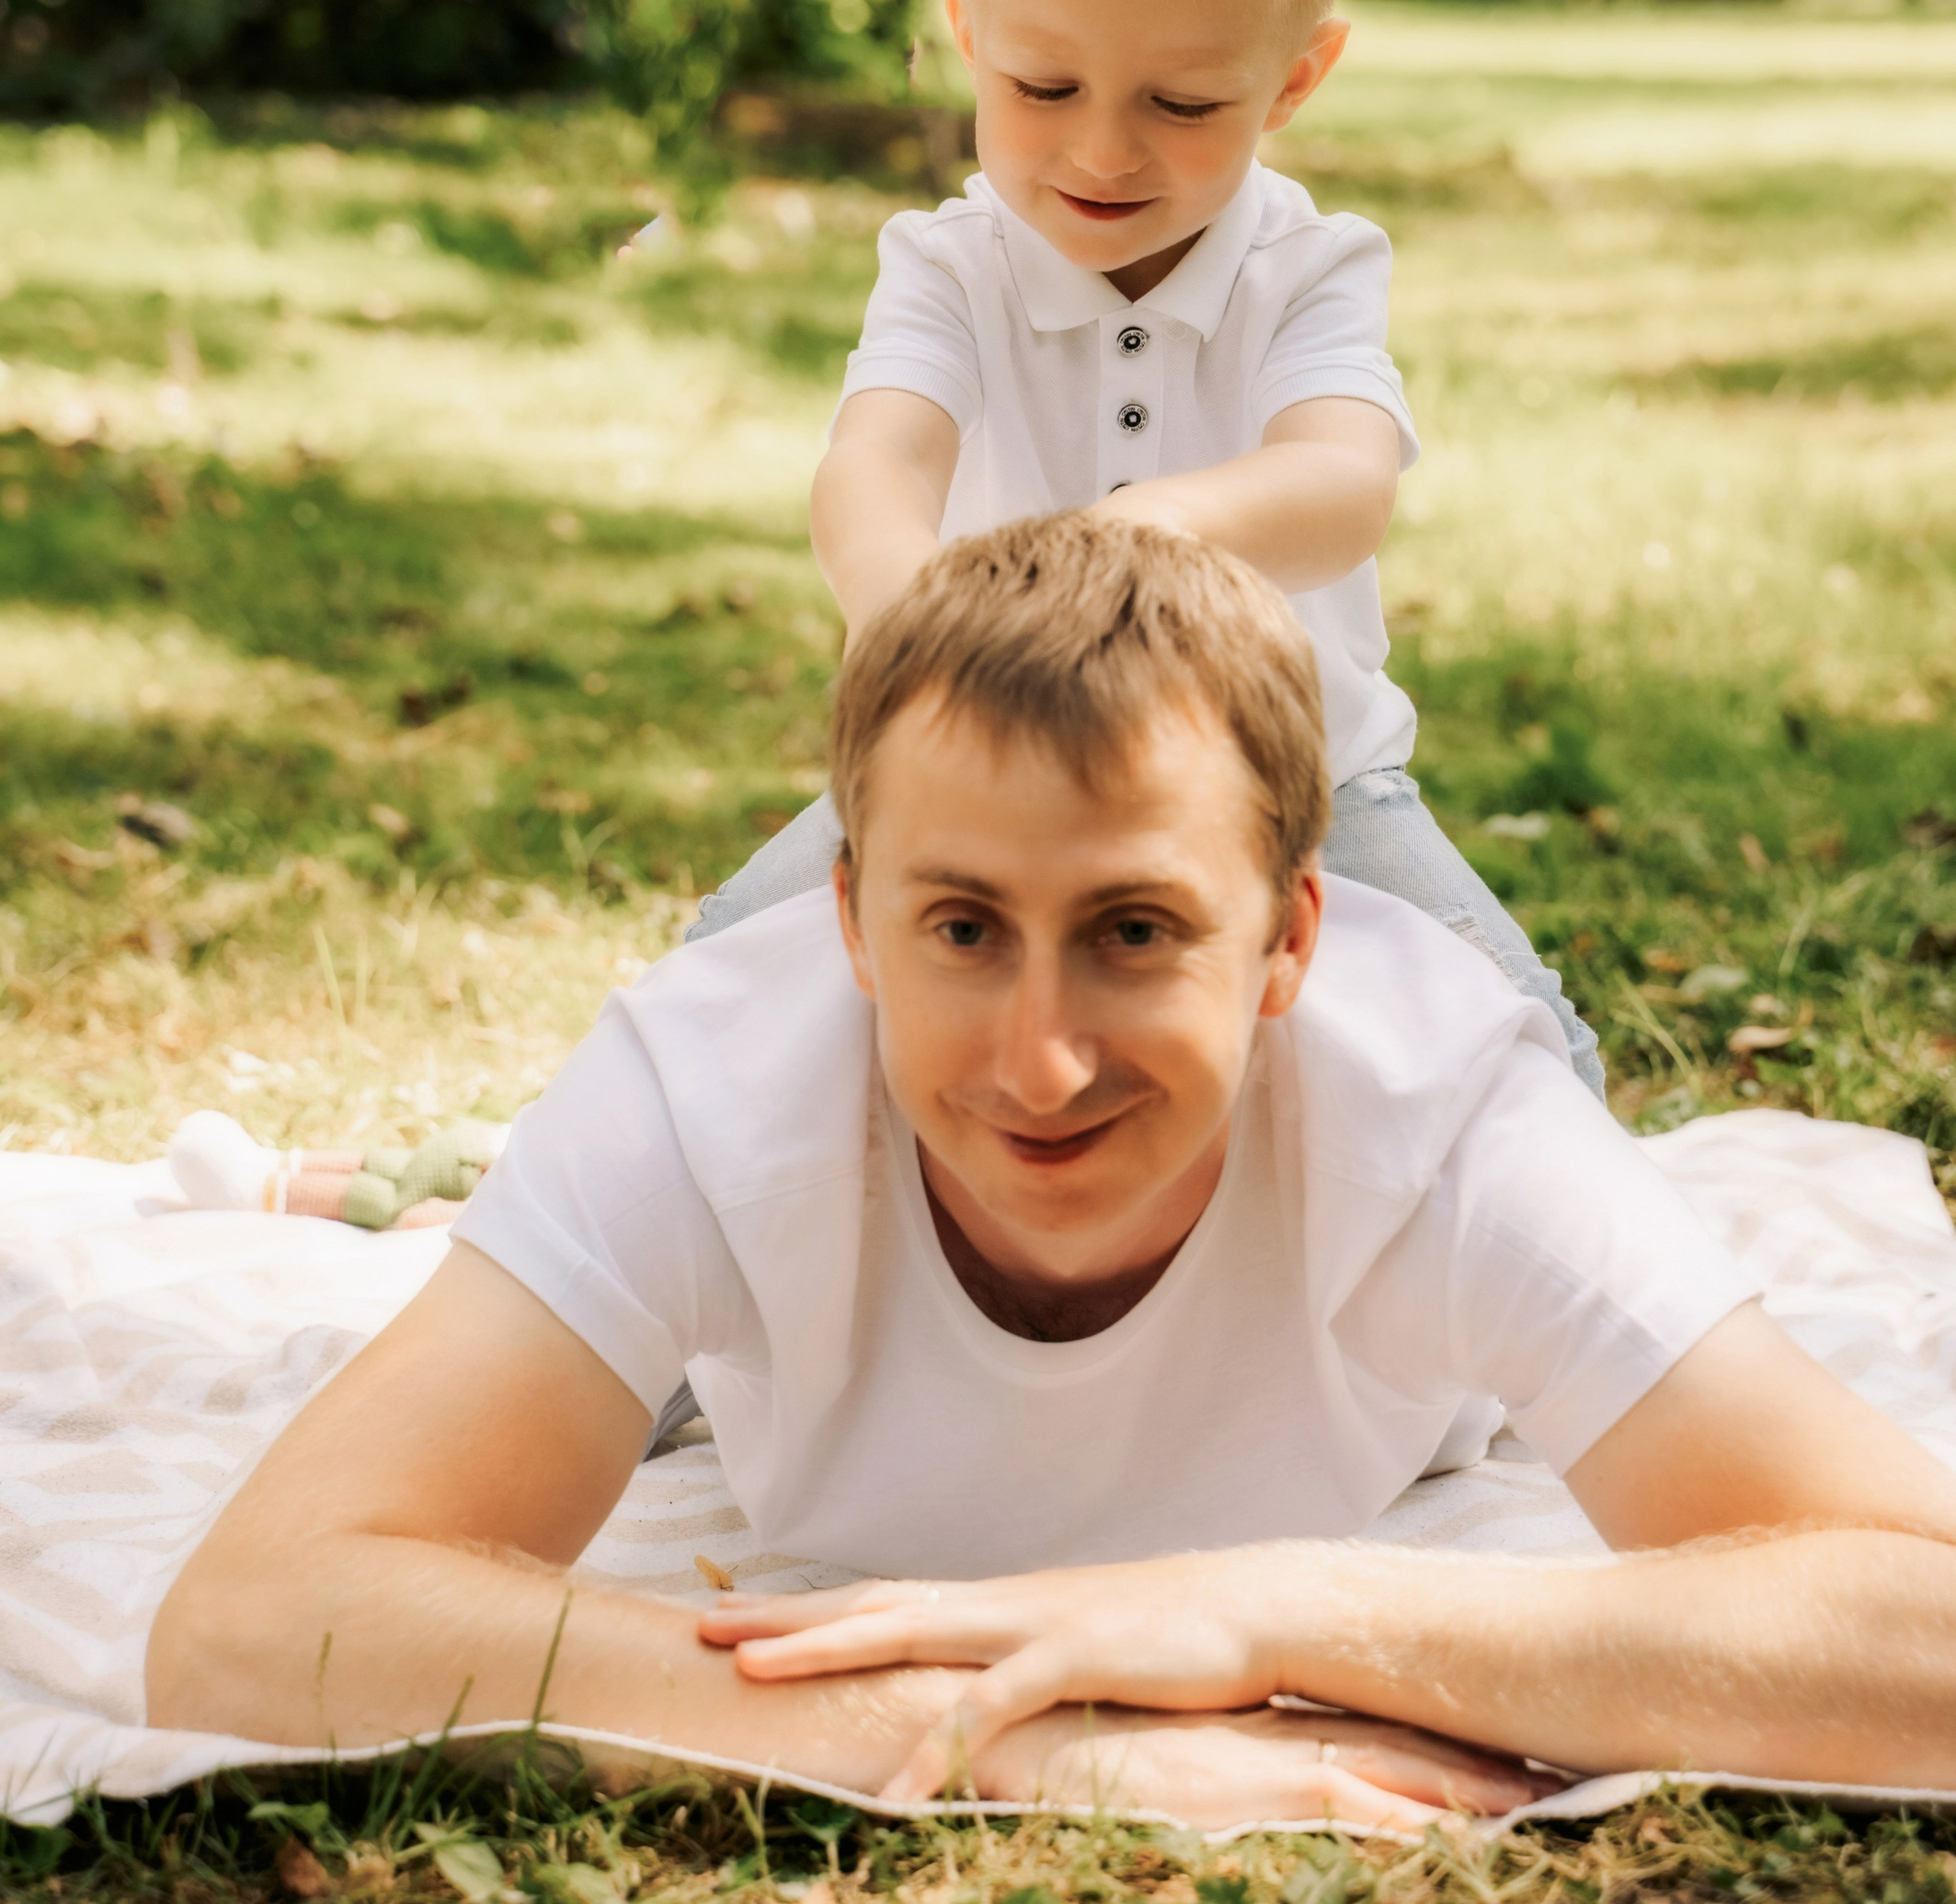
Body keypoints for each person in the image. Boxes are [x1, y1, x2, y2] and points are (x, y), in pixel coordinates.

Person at [147, 520, 1956, 1831]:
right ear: (848, 922)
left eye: (1133, 932)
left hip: (1402, 1430)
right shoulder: (701, 1086)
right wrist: (1001, 1738)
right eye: (959, 929)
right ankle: (456, 1204)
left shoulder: (1446, 1109)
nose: (1037, 1064)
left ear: (1288, 943)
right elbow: (251, 1619)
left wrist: (1257, 1611)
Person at [690, 0, 1602, 1096]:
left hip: (1301, 786)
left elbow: (1343, 483)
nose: (1103, 150)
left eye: (1182, 104)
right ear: (965, 30)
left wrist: (1130, 540)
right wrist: (926, 640)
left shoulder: (1309, 268)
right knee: (708, 995)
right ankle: (534, 1194)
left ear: (1294, 79)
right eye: (1043, 85)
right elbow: (873, 468)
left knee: (1534, 1061)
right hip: (988, 770)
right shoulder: (949, 265)